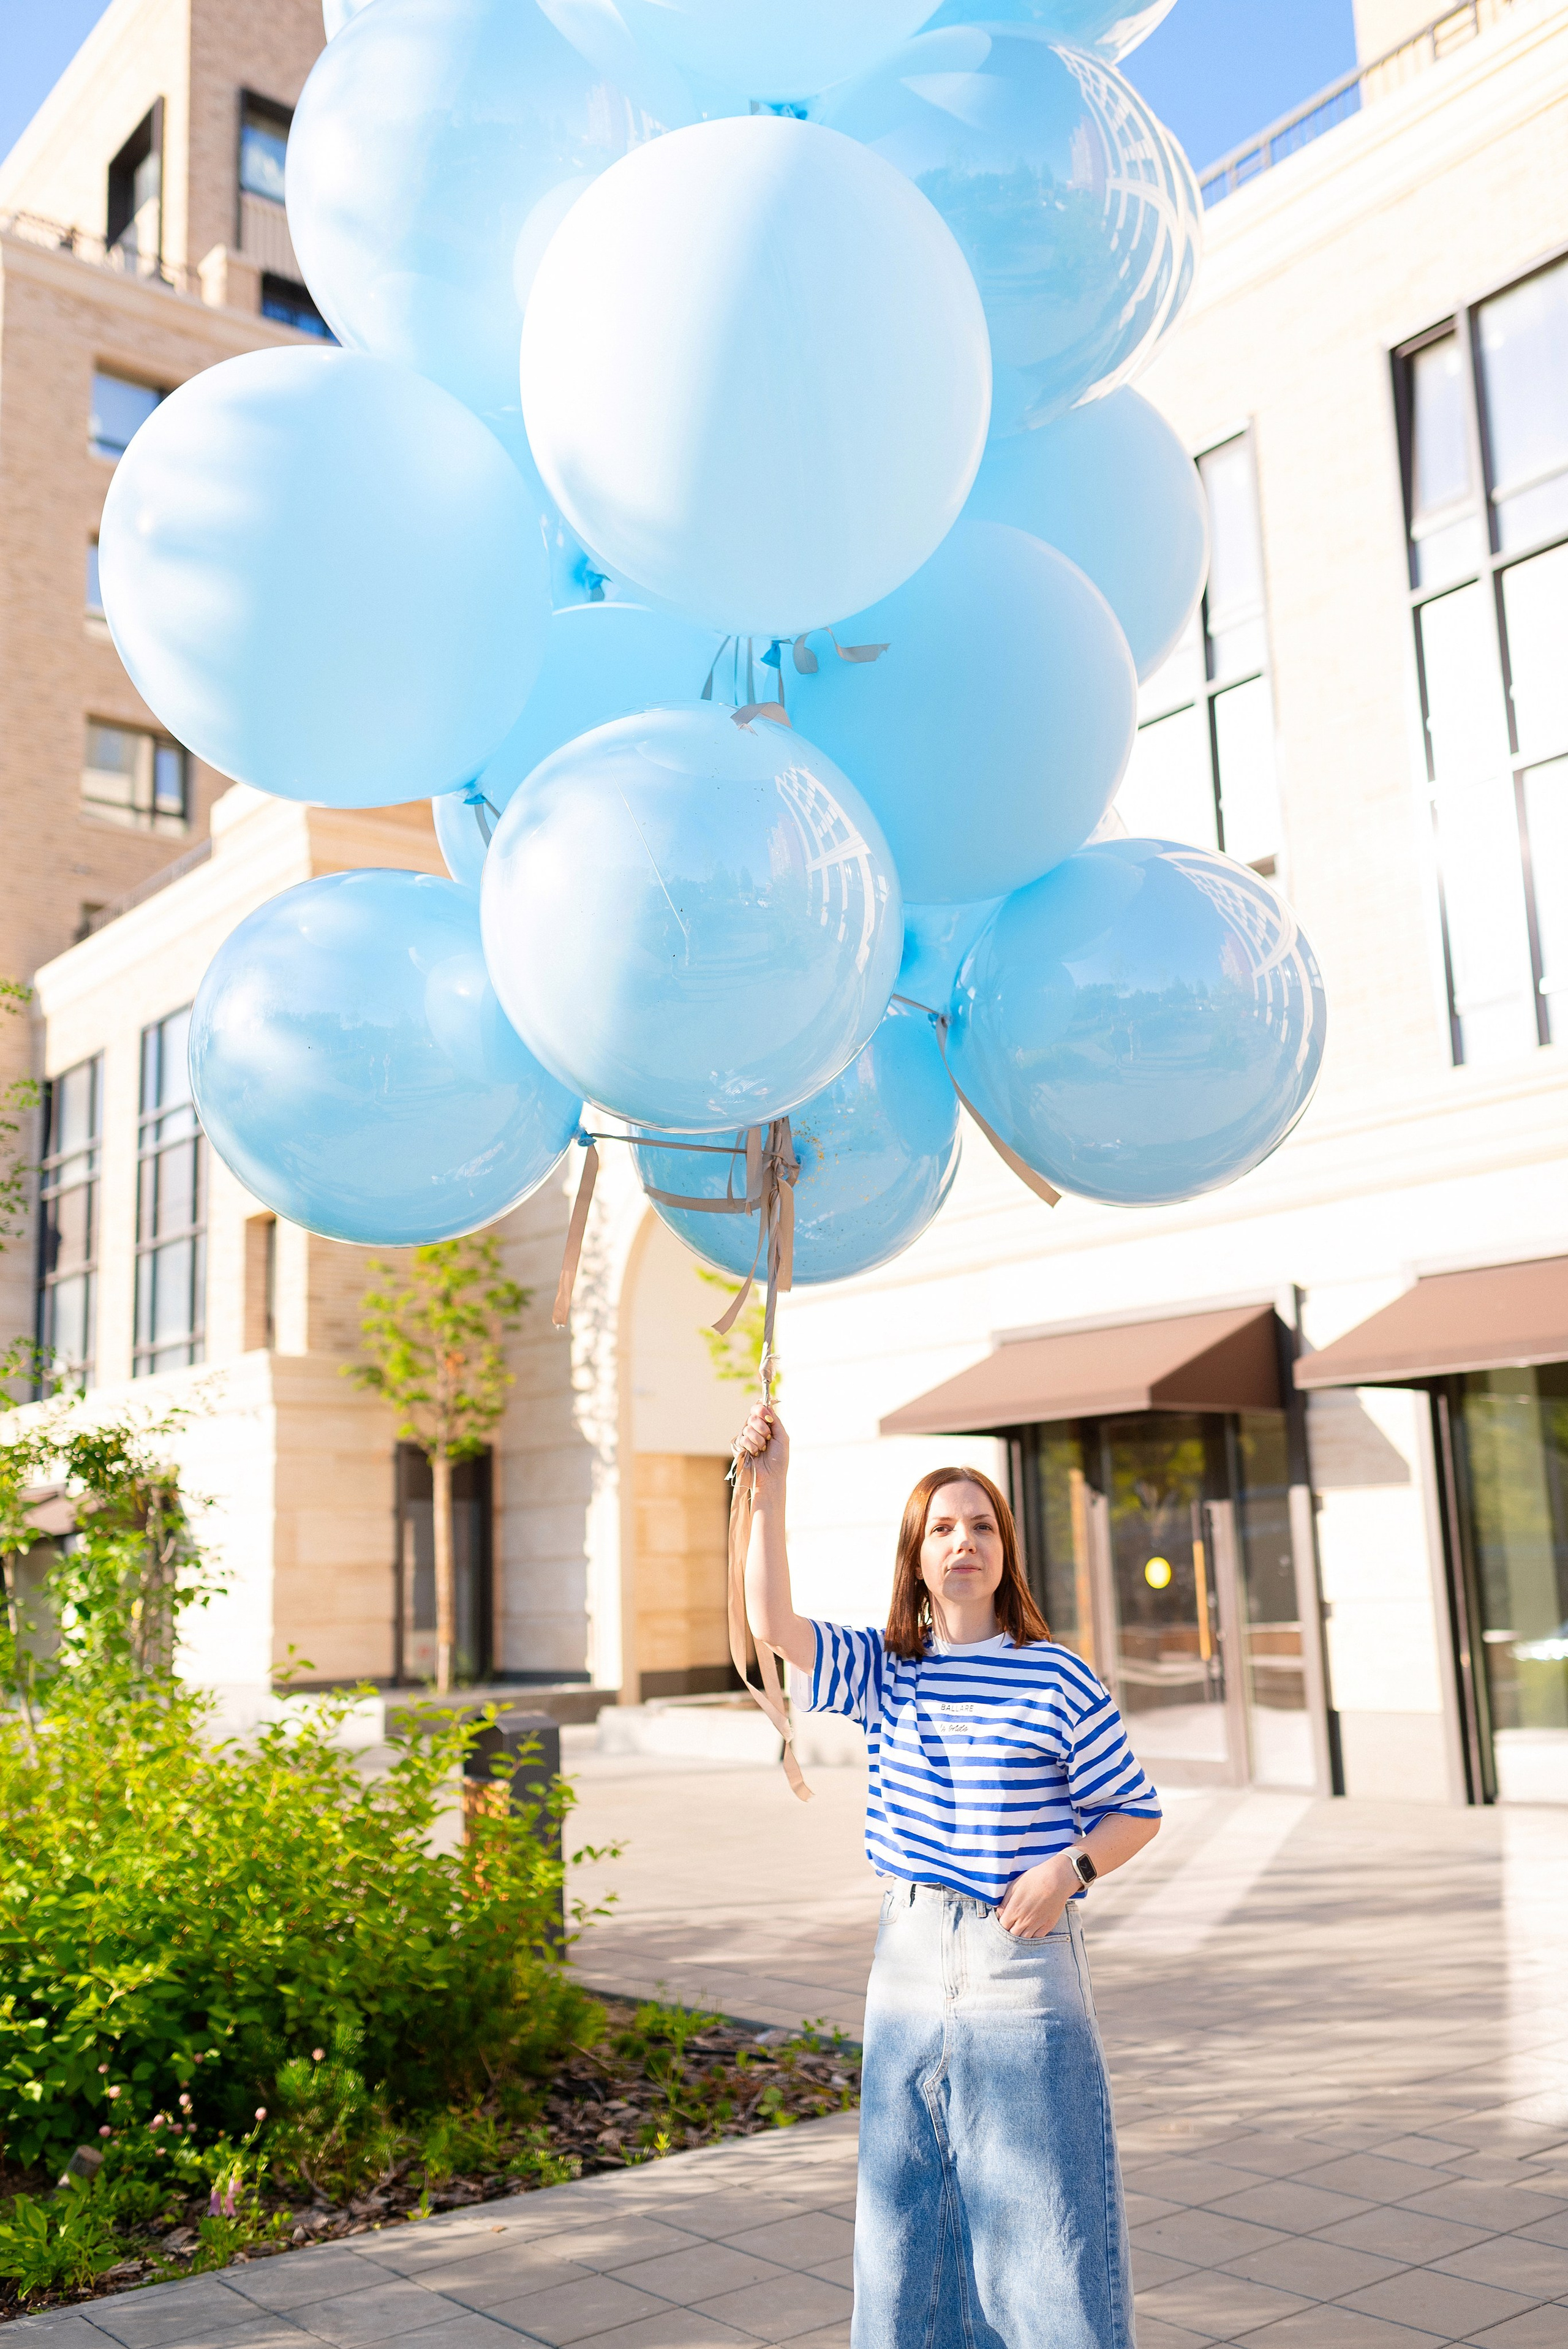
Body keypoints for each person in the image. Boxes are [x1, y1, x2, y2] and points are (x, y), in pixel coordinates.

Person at [737, 1400, 1161, 2349]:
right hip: (909, 1962)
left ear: (1004, 1552)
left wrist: (1068, 1869)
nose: (962, 1541)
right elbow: (769, 1620)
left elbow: (1135, 1810)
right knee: (904, 2238)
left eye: (980, 1526)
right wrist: (770, 1486)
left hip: (1022, 1968)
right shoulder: (887, 1671)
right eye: (942, 1529)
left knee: (1046, 2235)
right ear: (918, 1560)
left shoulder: (1058, 1677)